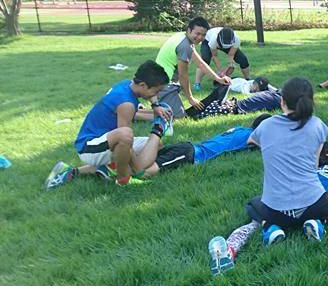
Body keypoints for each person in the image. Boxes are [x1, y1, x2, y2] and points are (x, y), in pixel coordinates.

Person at [210, 139, 328, 276]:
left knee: (253, 207)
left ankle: (260, 231)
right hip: (316, 205)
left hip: (282, 205)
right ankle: (317, 222)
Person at [244, 77, 328, 248]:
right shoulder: (317, 125)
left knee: (253, 205)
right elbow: (315, 163)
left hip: (275, 210)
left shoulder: (266, 126)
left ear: (282, 101)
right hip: (313, 205)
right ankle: (316, 222)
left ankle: (270, 227)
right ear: (311, 102)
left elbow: (251, 141)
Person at [45, 61, 173, 189]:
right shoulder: (126, 104)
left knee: (155, 145)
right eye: (156, 91)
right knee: (125, 134)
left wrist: (155, 106)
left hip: (106, 141)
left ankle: (80, 171)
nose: (156, 95)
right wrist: (140, 171)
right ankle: (123, 179)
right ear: (143, 85)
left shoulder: (128, 84)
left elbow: (127, 142)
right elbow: (126, 141)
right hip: (89, 146)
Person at [155, 17, 232, 117]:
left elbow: (200, 63)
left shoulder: (183, 37)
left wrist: (218, 79)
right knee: (177, 116)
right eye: (197, 33)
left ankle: (140, 111)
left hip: (162, 79)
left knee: (174, 113)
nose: (200, 37)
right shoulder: (184, 46)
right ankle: (136, 113)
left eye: (203, 35)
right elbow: (183, 76)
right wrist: (190, 98)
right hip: (163, 83)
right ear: (189, 30)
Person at [147, 114, 273, 174]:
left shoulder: (240, 129)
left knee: (148, 160)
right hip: (191, 154)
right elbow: (252, 141)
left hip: (188, 147)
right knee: (149, 171)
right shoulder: (250, 136)